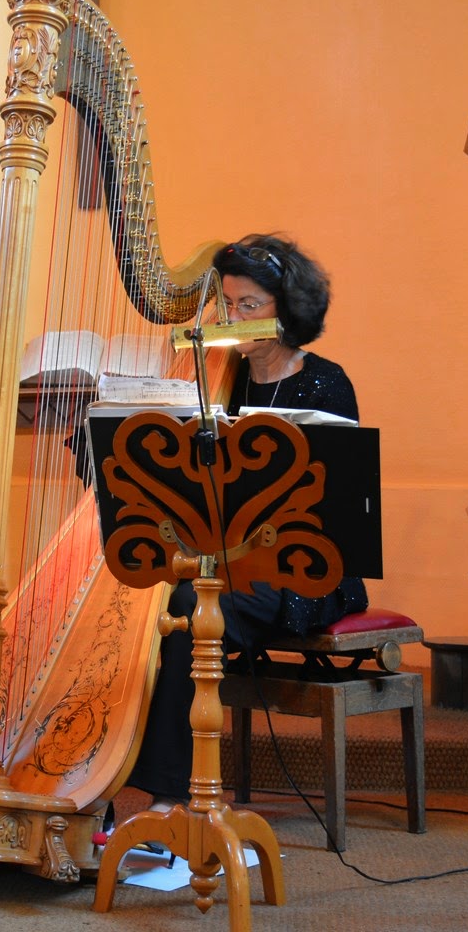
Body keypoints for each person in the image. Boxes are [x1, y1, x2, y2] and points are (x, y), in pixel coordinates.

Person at [126, 233, 367, 810]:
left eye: (248, 306)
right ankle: (99, 777)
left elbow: (337, 505)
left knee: (188, 607)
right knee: (139, 603)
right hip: (220, 559)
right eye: (227, 305)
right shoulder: (213, 379)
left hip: (302, 568)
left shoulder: (326, 382)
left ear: (288, 309)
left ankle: (167, 800)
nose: (233, 319)